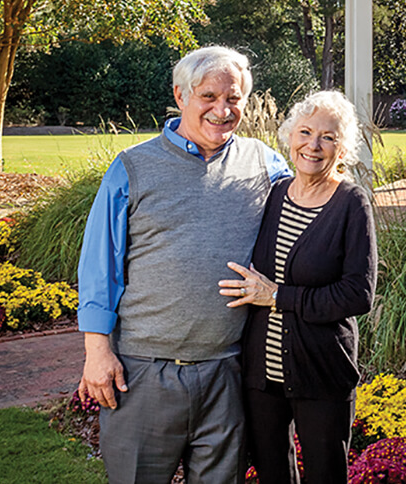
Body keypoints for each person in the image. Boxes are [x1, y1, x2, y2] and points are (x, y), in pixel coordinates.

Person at [76, 46, 291, 484]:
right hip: (142, 374)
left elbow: (307, 220)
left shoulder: (265, 164)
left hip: (228, 372)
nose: (222, 110)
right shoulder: (132, 168)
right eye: (208, 96)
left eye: (233, 99)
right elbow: (101, 267)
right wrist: (97, 352)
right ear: (180, 95)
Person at [218, 90, 377, 484]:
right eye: (305, 132)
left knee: (324, 474)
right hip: (261, 373)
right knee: (272, 472)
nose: (314, 145)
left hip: (321, 369)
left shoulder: (351, 203)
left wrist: (277, 296)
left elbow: (358, 294)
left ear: (343, 149)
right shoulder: (273, 195)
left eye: (328, 137)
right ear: (289, 136)